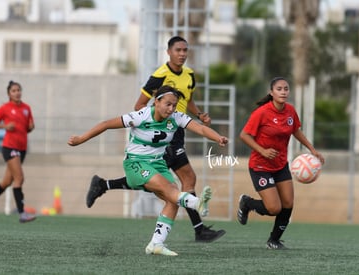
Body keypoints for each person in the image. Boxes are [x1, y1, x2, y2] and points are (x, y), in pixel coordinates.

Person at [86, 36, 226, 242]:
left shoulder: (189, 75)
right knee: (177, 180)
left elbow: (187, 100)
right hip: (164, 136)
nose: (182, 54)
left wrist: (199, 114)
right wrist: (155, 127)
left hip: (176, 129)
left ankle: (103, 185)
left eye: (185, 50)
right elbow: (139, 105)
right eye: (178, 50)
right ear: (168, 51)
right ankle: (199, 229)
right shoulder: (159, 76)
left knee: (155, 181)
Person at [68, 85, 228, 256]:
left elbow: (201, 128)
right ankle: (197, 203)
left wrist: (217, 138)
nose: (171, 108)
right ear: (157, 101)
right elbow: (106, 124)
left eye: (174, 105)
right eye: (168, 104)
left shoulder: (176, 117)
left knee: (172, 199)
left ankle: (156, 244)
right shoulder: (141, 116)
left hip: (158, 163)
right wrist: (81, 139)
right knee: (170, 190)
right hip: (136, 163)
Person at [237, 77, 325, 249]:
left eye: (286, 88)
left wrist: (311, 149)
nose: (283, 91)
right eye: (279, 89)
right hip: (260, 166)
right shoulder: (262, 112)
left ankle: (274, 240)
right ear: (271, 92)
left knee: (288, 204)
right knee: (274, 208)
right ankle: (247, 203)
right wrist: (262, 151)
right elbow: (244, 135)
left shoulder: (290, 111)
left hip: (280, 165)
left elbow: (296, 131)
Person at [0, 80, 36, 223]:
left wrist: (30, 127)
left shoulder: (26, 108)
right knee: (19, 178)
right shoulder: (5, 108)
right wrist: (5, 127)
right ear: (9, 94)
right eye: (14, 90)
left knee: (6, 182)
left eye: (19, 90)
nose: (17, 92)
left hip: (22, 148)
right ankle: (22, 213)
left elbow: (29, 126)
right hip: (9, 147)